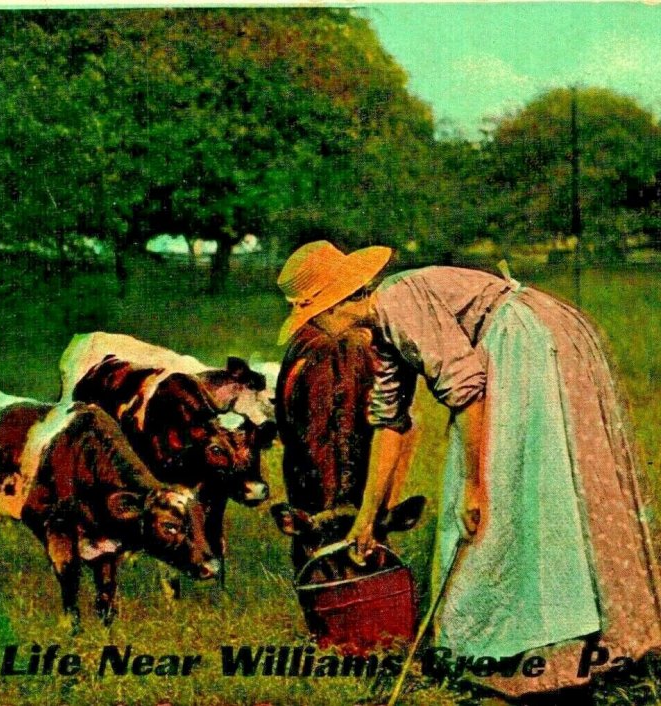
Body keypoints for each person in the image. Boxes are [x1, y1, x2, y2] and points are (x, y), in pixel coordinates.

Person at [276, 240, 661, 698]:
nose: (317, 328)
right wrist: (366, 521)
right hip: (518, 342)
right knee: (510, 499)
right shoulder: (381, 331)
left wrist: (477, 486)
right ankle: (515, 645)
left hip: (526, 342)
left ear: (336, 306)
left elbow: (466, 392)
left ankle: (538, 650)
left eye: (314, 316)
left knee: (509, 494)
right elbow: (390, 423)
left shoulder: (398, 304)